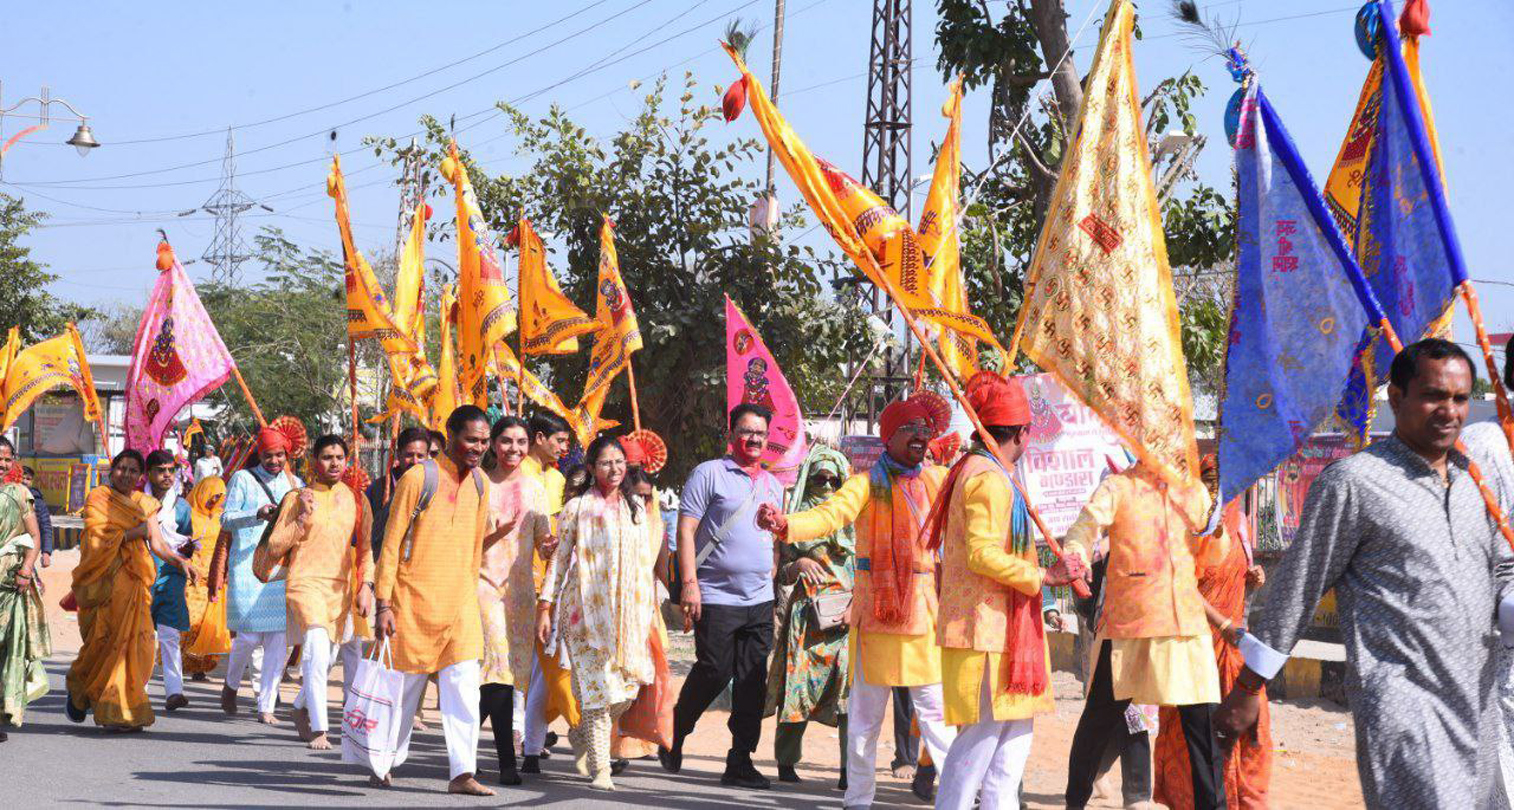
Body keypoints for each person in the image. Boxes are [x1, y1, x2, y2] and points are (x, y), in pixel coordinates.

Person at [1216, 339, 1514, 807]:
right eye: (1434, 396)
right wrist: (1249, 686)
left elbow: (1502, 568)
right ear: (1396, 398)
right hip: (1404, 708)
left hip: (1476, 706)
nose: (1450, 411)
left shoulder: (1480, 481)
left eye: (1459, 399)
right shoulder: (1354, 483)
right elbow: (1298, 586)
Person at [758, 394, 959, 808]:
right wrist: (785, 524)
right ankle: (858, 800)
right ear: (889, 437)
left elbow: (968, 504)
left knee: (937, 719)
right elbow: (828, 516)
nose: (922, 436)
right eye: (911, 429)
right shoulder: (864, 484)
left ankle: (956, 799)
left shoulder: (939, 479)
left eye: (926, 429)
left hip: (923, 615)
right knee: (866, 722)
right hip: (874, 617)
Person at [925, 372, 1084, 810]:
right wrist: (1044, 579)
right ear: (1022, 433)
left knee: (1012, 745)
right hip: (984, 631)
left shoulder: (991, 472)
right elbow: (980, 554)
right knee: (979, 740)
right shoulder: (989, 479)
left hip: (1007, 631)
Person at [1060, 438, 1226, 810]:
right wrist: (1076, 556)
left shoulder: (1194, 492)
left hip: (1184, 627)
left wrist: (1216, 532)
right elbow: (1083, 529)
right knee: (1097, 723)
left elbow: (1212, 555)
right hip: (1128, 627)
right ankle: (1074, 803)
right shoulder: (1118, 487)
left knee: (1203, 735)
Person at [662, 404, 786, 790]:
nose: (754, 439)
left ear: (768, 440)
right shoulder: (708, 473)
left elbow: (777, 535)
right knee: (715, 669)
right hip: (714, 594)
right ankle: (677, 727)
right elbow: (686, 531)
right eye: (747, 431)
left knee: (752, 679)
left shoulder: (773, 484)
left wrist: (773, 566)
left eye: (761, 434)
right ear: (731, 434)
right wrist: (689, 584)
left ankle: (740, 760)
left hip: (759, 599)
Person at [373, 405, 494, 796]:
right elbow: (390, 545)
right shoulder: (418, 477)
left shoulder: (480, 484)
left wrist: (472, 601)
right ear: (451, 435)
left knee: (463, 688)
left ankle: (462, 773)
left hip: (459, 605)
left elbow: (475, 552)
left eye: (483, 441)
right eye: (471, 439)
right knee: (407, 689)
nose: (478, 447)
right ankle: (384, 760)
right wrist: (383, 603)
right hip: (413, 601)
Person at [537, 435, 660, 791]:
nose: (614, 468)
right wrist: (546, 607)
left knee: (625, 692)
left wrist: (648, 610)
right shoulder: (577, 508)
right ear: (591, 468)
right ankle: (601, 769)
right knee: (596, 694)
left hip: (628, 619)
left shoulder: (635, 507)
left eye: (619, 462)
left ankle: (580, 732)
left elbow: (642, 565)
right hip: (584, 617)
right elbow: (559, 563)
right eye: (606, 462)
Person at [1153, 455, 1270, 809]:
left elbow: (1233, 574)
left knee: (1251, 737)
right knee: (1201, 741)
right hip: (1195, 645)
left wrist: (1252, 579)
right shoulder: (1190, 523)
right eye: (1210, 480)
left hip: (1233, 648)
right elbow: (1181, 586)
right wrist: (1220, 623)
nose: (1217, 488)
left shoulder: (1238, 519)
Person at [66, 449, 195, 731]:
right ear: (112, 471)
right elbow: (97, 537)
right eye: (122, 468)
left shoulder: (145, 503)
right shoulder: (99, 497)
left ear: (140, 476)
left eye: (133, 470)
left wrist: (180, 561)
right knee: (102, 641)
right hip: (103, 580)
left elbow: (159, 544)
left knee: (136, 644)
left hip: (135, 580)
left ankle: (122, 708)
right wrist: (133, 534)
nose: (127, 475)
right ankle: (80, 688)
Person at [267, 434, 374, 751]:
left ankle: (301, 705)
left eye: (340, 457)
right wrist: (298, 520)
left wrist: (366, 585)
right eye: (328, 457)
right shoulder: (297, 497)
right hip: (304, 581)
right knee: (314, 646)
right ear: (315, 461)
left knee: (327, 658)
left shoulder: (357, 500)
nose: (335, 463)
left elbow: (366, 549)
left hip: (340, 586)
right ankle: (319, 728)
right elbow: (274, 546)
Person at [764, 444, 854, 789]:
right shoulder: (795, 520)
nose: (827, 488)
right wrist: (798, 564)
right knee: (797, 688)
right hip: (806, 619)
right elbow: (782, 572)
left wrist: (858, 602)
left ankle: (849, 770)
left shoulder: (857, 520)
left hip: (848, 618)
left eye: (834, 481)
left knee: (849, 696)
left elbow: (870, 566)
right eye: (820, 480)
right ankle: (786, 762)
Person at [478, 416, 551, 785]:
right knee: (498, 671)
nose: (514, 449)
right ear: (492, 443)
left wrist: (553, 544)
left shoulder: (536, 489)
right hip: (483, 585)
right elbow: (467, 546)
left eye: (521, 442)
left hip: (520, 595)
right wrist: (497, 534)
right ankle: (507, 761)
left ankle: (461, 745)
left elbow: (543, 542)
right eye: (506, 441)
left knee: (499, 677)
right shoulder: (478, 484)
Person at [218, 423, 304, 723]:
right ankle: (230, 685)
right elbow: (225, 520)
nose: (274, 462)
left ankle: (265, 706)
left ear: (287, 454)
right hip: (247, 567)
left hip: (281, 568)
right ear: (259, 454)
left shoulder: (296, 483)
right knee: (248, 637)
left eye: (280, 455)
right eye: (268, 456)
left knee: (278, 641)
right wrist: (256, 514)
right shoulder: (242, 479)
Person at [520, 411, 575, 772]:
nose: (564, 447)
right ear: (539, 437)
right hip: (513, 583)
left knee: (544, 669)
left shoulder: (558, 478)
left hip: (551, 584)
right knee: (514, 668)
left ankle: (529, 746)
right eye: (560, 440)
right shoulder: (514, 475)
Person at [0, 438, 50, 741]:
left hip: (9, 584)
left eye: (7, 459)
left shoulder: (20, 494)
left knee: (7, 650)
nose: (2, 464)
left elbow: (34, 536)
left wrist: (26, 570)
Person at [145, 449, 194, 711]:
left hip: (172, 574)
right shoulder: (137, 501)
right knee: (141, 633)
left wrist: (187, 553)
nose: (166, 476)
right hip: (140, 571)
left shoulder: (181, 506)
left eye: (170, 470)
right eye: (160, 470)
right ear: (149, 474)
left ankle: (174, 691)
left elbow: (186, 539)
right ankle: (138, 690)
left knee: (169, 633)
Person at [181, 477, 228, 681]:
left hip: (213, 578)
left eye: (218, 497)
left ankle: (200, 667)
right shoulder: (187, 514)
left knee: (209, 624)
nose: (214, 500)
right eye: (211, 495)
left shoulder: (221, 518)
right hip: (191, 576)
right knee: (191, 621)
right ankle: (181, 663)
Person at [365, 426, 431, 562]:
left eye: (420, 456)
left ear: (428, 456)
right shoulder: (379, 488)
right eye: (409, 455)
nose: (415, 461)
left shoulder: (433, 488)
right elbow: (365, 534)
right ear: (398, 455)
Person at [19, 466, 52, 569]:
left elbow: (45, 527)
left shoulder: (38, 502)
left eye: (28, 479)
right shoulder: (6, 497)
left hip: (27, 552)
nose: (24, 481)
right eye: (22, 478)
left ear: (32, 481)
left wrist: (46, 553)